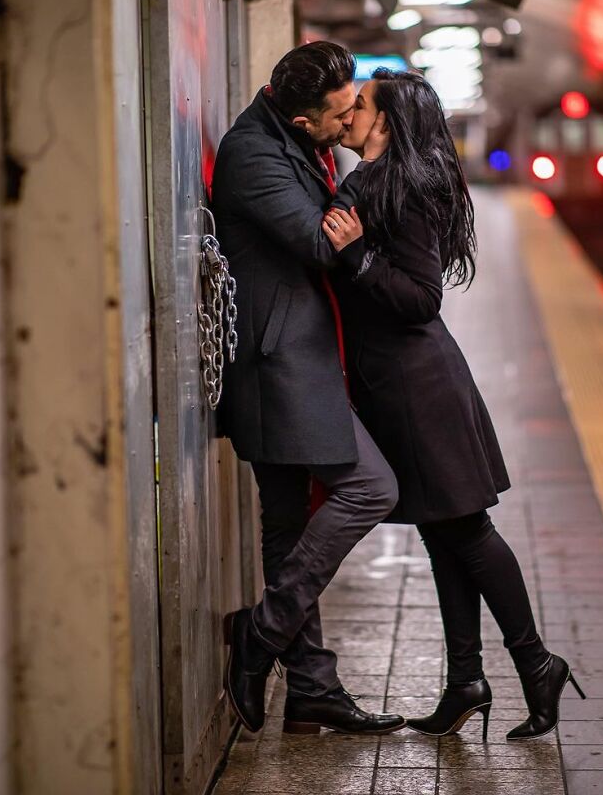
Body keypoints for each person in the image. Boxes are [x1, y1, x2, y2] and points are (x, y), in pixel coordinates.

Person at [321, 69, 586, 742]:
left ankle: (536, 662)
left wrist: (353, 259)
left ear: (387, 123)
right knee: (445, 533)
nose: (349, 111)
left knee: (465, 531)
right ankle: (466, 681)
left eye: (362, 104)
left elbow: (420, 298)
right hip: (398, 383)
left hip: (419, 385)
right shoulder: (375, 182)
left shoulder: (405, 190)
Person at [210, 43, 405, 736]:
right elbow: (323, 243)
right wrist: (374, 167)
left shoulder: (290, 136)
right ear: (299, 120)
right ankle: (261, 635)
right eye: (340, 111)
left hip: (299, 354)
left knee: (289, 526)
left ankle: (312, 689)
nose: (353, 114)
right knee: (370, 487)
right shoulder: (254, 156)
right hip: (279, 363)